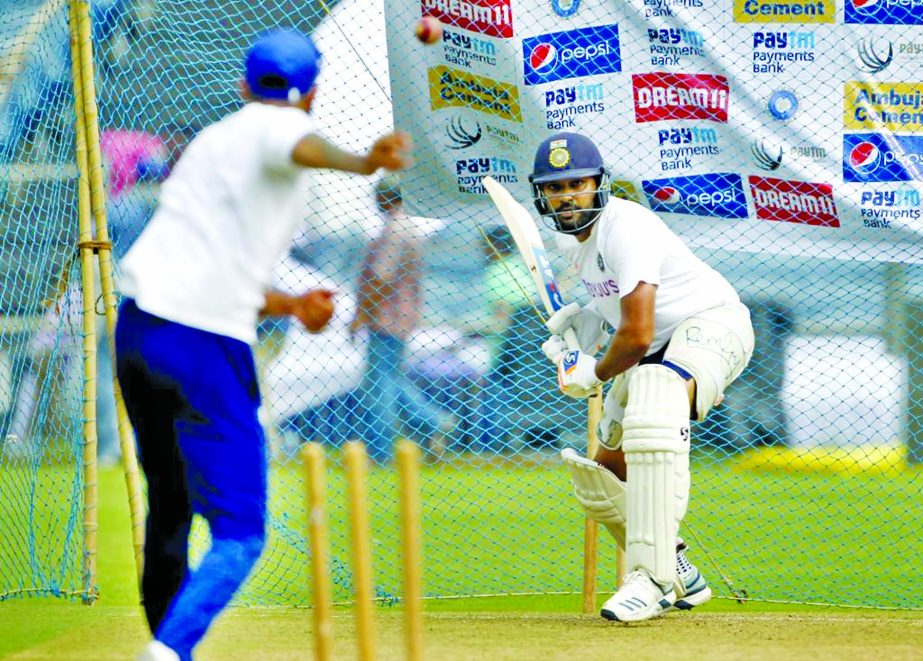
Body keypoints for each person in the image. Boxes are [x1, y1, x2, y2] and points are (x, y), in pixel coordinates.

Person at [115, 29, 411, 661]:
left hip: (139, 330)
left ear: (243, 82)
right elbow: (293, 142)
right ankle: (165, 653)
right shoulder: (275, 127)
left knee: (169, 504)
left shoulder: (208, 144)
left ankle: (168, 643)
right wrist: (366, 162)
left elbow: (214, 269)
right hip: (202, 348)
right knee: (242, 534)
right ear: (310, 95)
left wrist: (292, 304)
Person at [531, 132, 754, 622]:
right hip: (656, 347)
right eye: (554, 187)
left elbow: (635, 335)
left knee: (656, 394)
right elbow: (617, 307)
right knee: (602, 478)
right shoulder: (568, 240)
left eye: (577, 184)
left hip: (712, 324)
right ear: (541, 194)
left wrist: (593, 370)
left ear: (598, 185)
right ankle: (677, 567)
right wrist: (587, 321)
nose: (566, 196)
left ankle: (650, 579)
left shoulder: (625, 226)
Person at [349, 177, 449, 464]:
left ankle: (381, 451)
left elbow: (381, 277)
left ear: (385, 198)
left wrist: (362, 314)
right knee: (391, 378)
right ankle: (433, 421)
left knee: (379, 384)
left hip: (386, 318)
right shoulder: (409, 226)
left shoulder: (396, 228)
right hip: (400, 317)